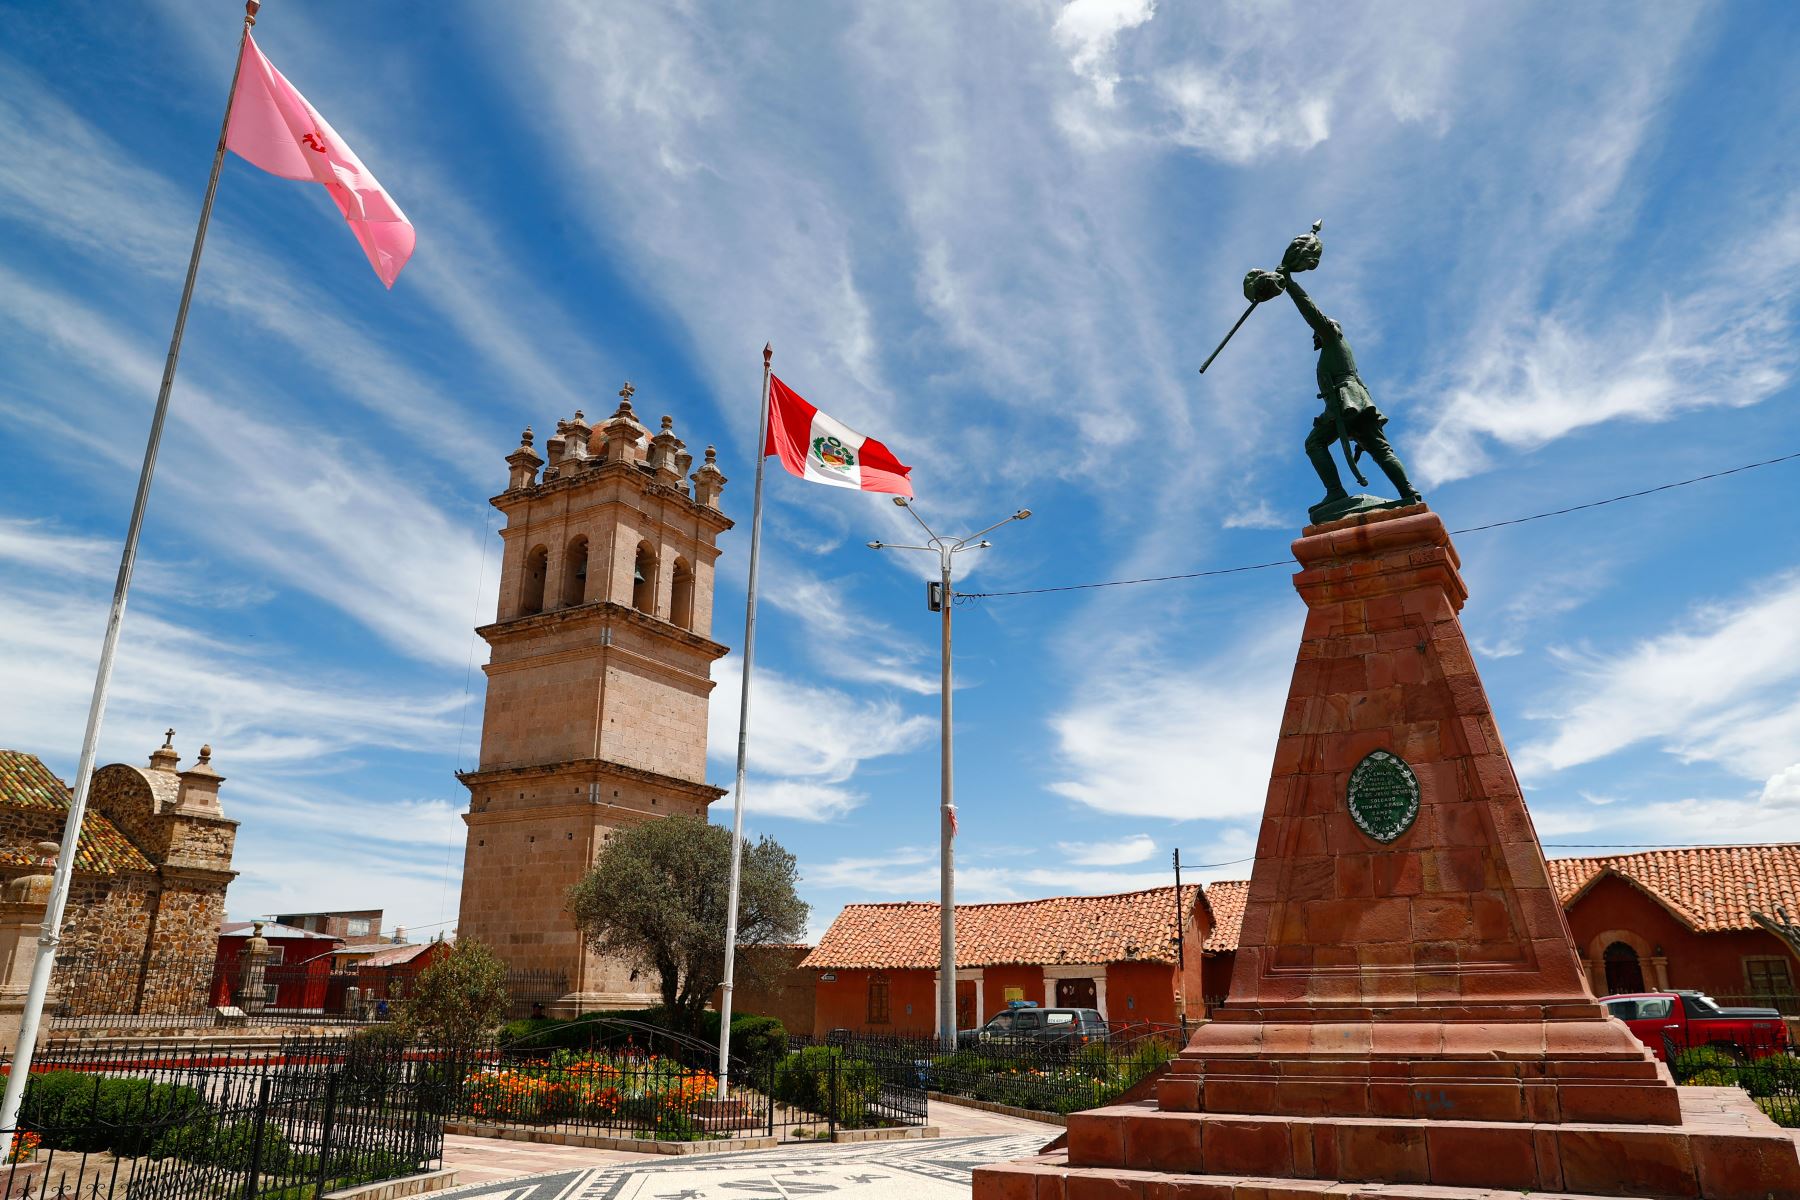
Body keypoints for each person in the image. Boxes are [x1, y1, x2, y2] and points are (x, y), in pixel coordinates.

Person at [1280, 269, 1422, 511]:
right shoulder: (1337, 351)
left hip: (1347, 402)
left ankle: (1336, 492)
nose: (1316, 333)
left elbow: (1310, 311)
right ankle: (1409, 493)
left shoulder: (1333, 339)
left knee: (1314, 443)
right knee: (1379, 449)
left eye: (1320, 329)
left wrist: (1290, 285)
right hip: (1353, 403)